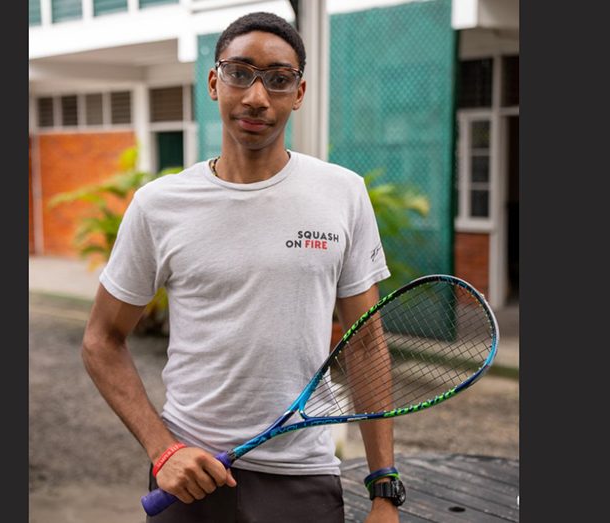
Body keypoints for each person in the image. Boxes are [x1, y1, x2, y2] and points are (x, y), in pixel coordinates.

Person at [82, 11, 403, 523]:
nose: (257, 97)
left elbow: (364, 343)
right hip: (191, 475)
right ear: (214, 82)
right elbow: (101, 340)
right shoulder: (159, 205)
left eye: (278, 80)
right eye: (240, 73)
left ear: (298, 94)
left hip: (303, 475)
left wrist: (384, 489)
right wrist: (162, 449)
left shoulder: (342, 193)